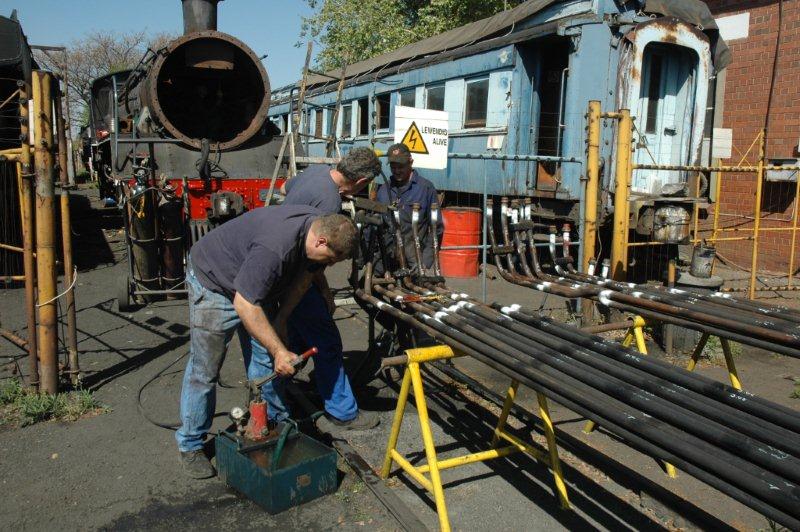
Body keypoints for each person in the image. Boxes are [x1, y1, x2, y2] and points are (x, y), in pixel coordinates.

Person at [176, 204, 358, 479]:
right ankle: (190, 444)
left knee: (265, 362)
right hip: (215, 283)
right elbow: (245, 303)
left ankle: (274, 424)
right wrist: (279, 349)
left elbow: (301, 283)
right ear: (321, 240)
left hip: (252, 289)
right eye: (330, 259)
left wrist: (281, 321)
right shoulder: (276, 247)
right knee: (206, 369)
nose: (328, 266)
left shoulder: (315, 233)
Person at [265, 147, 382, 433]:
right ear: (362, 181)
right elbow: (314, 266)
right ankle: (343, 412)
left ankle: (270, 395)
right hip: (297, 277)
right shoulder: (329, 203)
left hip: (281, 267)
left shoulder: (316, 173)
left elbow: (284, 186)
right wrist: (328, 296)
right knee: (327, 342)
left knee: (294, 340)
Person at [373, 143, 443, 275]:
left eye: (401, 166)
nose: (397, 171)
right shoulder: (383, 190)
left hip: (414, 258)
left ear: (411, 162)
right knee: (366, 287)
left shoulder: (425, 188)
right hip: (387, 256)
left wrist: (425, 261)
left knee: (413, 293)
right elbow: (375, 223)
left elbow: (437, 228)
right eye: (393, 167)